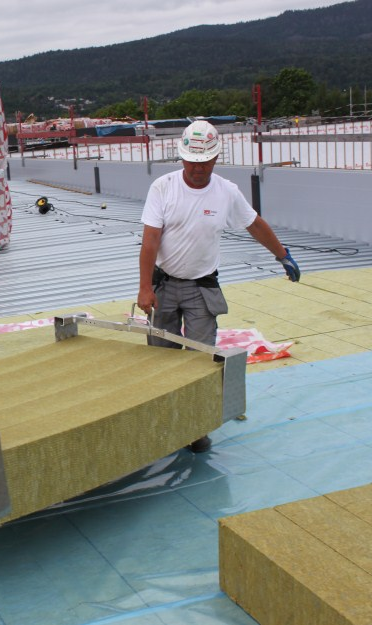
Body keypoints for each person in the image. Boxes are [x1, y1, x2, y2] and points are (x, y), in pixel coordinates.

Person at [136, 120, 300, 453]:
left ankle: (196, 428)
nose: (198, 168)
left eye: (205, 161)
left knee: (201, 359)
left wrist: (283, 256)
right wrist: (144, 288)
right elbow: (151, 239)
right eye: (192, 161)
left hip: (202, 290)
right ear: (182, 158)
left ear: (215, 159)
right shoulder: (163, 188)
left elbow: (253, 223)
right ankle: (162, 421)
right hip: (165, 286)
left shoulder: (226, 192)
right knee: (160, 357)